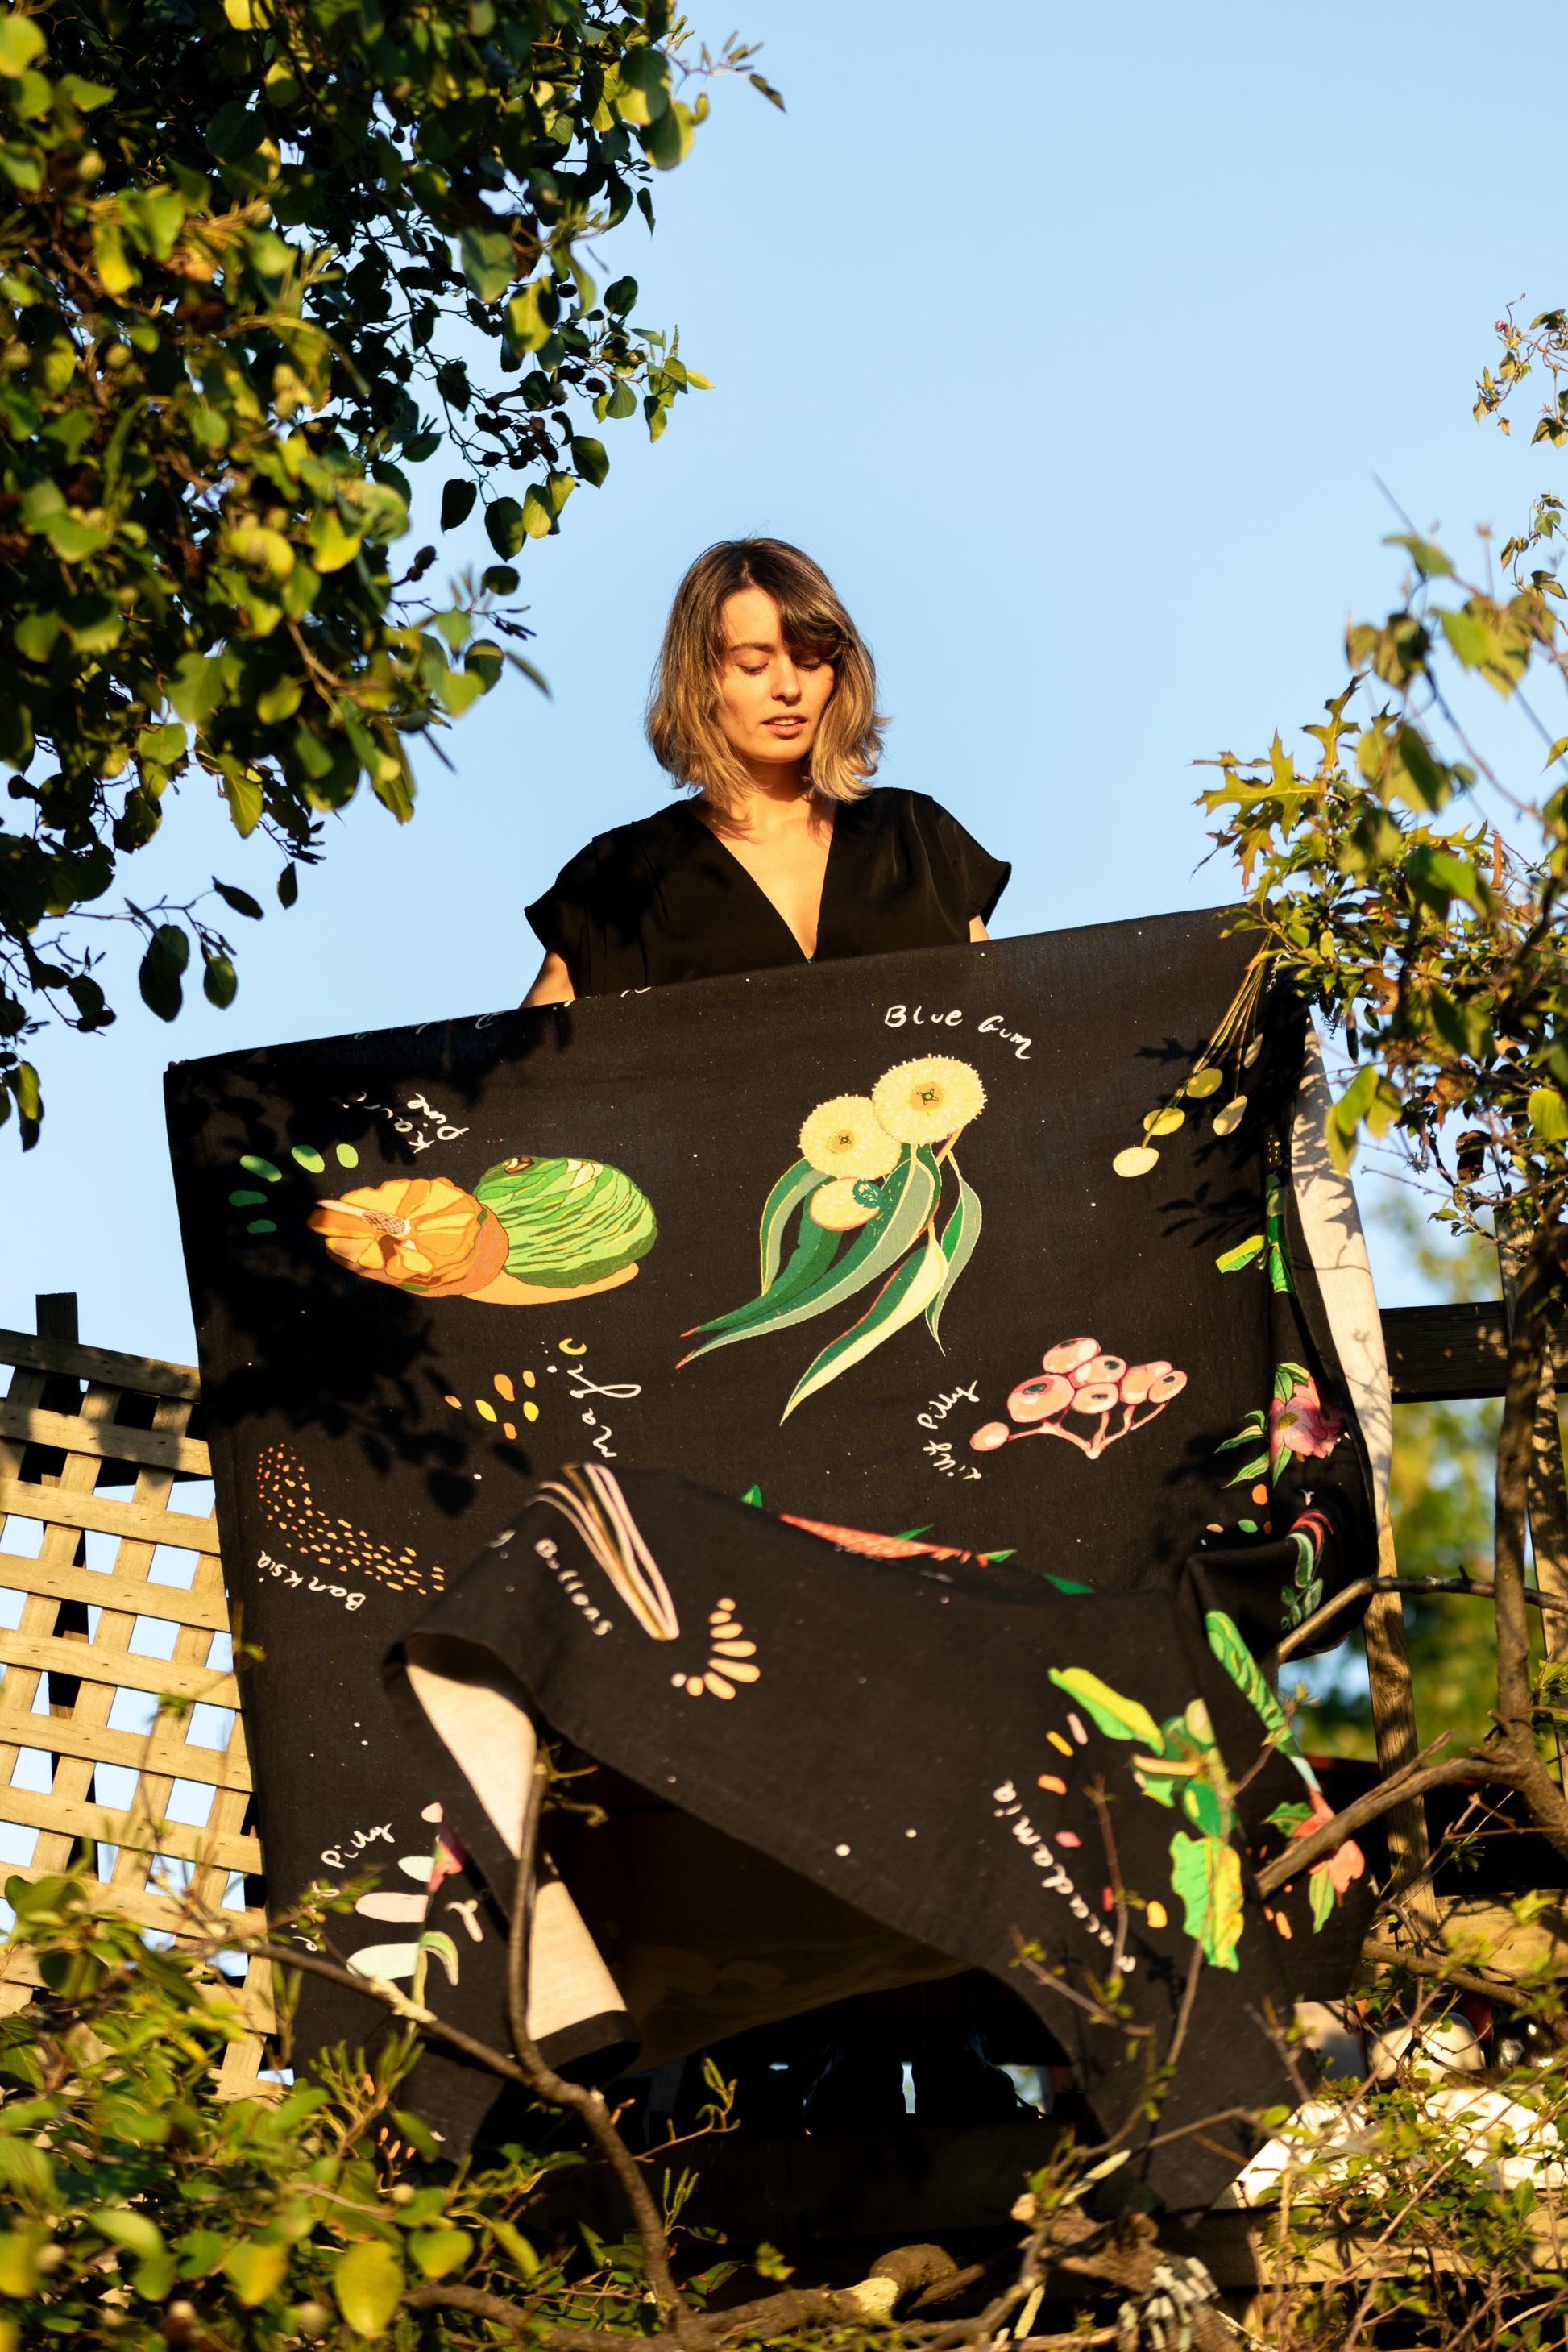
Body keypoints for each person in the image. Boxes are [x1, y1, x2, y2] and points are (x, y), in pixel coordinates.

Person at [521, 540, 1036, 2134]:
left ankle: (950, 2024)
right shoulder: (624, 883)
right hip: (728, 1367)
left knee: (940, 1683)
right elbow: (520, 1100)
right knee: (754, 1693)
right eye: (750, 654)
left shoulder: (921, 851)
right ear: (702, 675)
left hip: (926, 1352)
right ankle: (754, 2058)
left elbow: (1023, 1063)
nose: (785, 679)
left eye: (808, 647)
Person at [521, 537, 1010, 1006]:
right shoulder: (615, 878)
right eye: (754, 666)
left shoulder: (917, 836)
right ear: (699, 680)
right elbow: (527, 1075)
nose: (789, 687)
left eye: (811, 660)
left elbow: (1007, 1035)